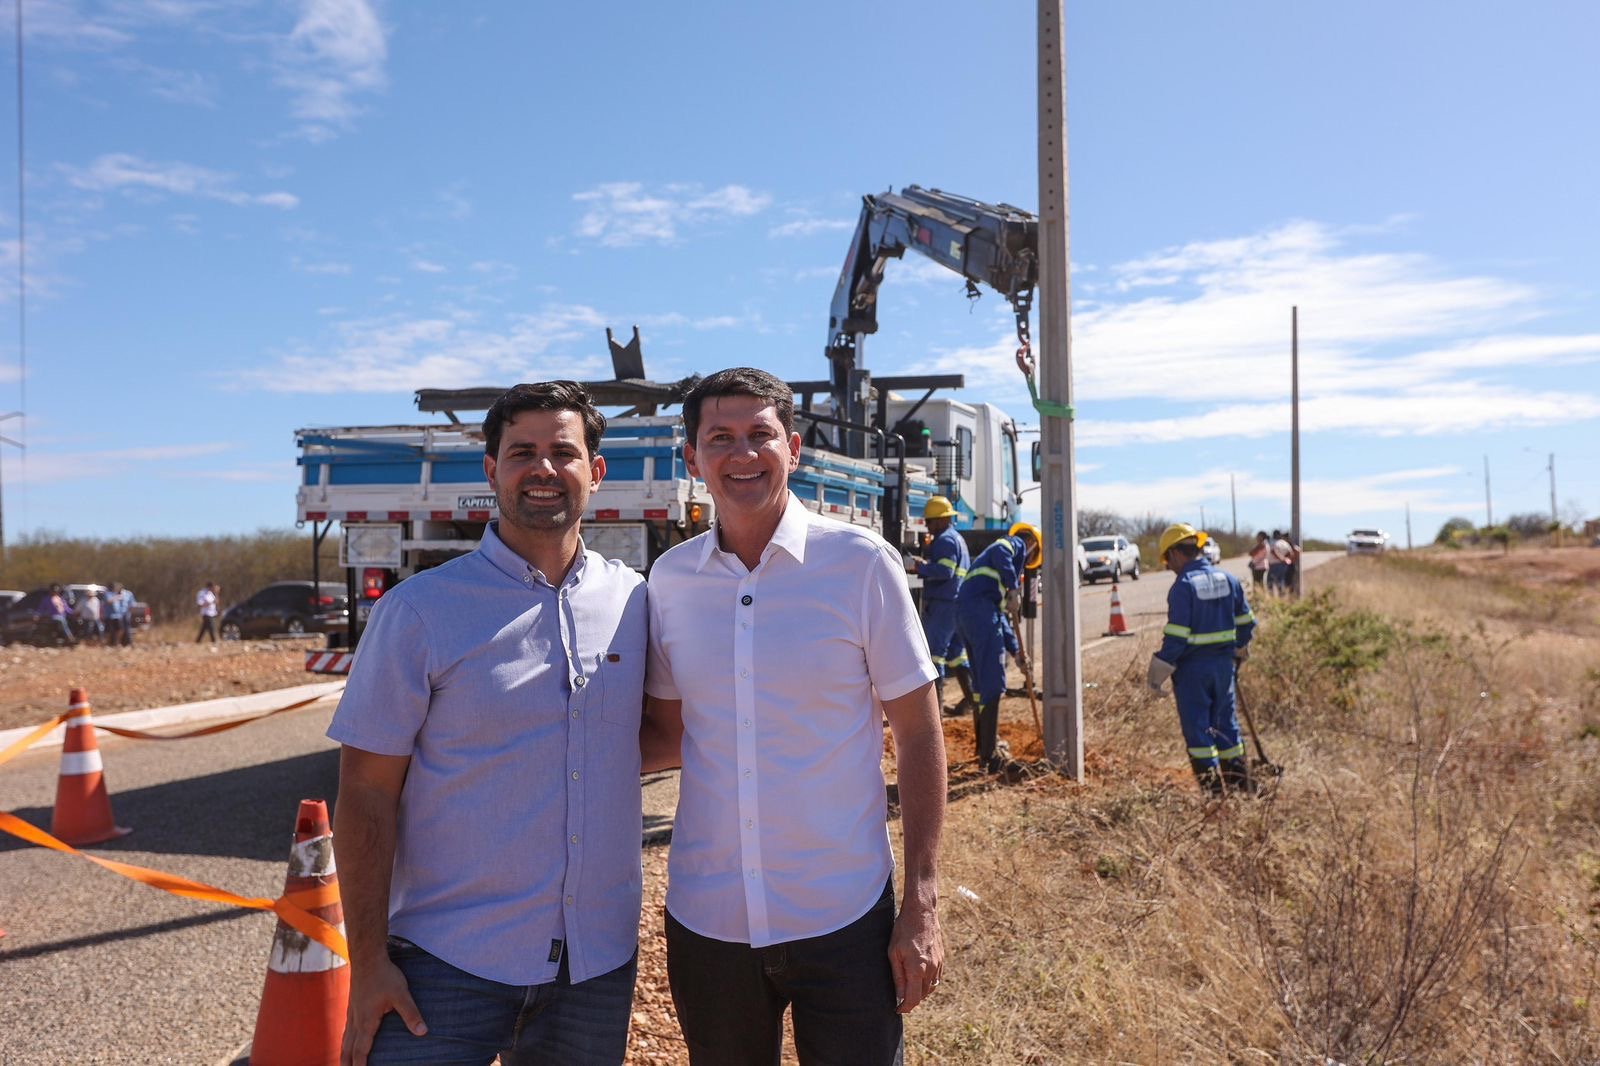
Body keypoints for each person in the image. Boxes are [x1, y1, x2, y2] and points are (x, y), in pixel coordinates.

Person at [328, 381, 648, 1066]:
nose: (542, 469)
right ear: (491, 471)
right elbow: (365, 793)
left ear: (595, 472)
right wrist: (369, 962)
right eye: (521, 452)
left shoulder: (637, 603)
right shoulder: (419, 613)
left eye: (563, 452)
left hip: (591, 970)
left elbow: (669, 732)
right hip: (443, 969)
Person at [640, 367, 946, 1066]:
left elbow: (920, 731)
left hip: (843, 915)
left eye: (760, 435)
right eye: (720, 437)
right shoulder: (670, 582)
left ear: (795, 448)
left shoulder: (861, 564)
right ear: (692, 459)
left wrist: (922, 901)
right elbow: (666, 734)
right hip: (709, 919)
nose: (742, 454)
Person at [1146, 523, 1257, 796]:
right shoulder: (1229, 579)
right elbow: (1247, 623)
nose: (1168, 567)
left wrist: (1157, 672)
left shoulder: (1183, 586)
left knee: (1199, 733)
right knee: (1226, 727)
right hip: (1222, 668)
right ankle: (1241, 788)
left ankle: (1214, 795)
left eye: (1167, 561)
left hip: (1192, 672)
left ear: (1174, 553)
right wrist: (1237, 651)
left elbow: (1177, 638)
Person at [955, 521, 1041, 774]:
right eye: (1031, 558)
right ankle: (991, 756)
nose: (1026, 563)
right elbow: (1004, 550)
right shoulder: (1014, 543)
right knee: (993, 683)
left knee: (982, 689)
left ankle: (983, 749)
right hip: (980, 614)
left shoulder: (990, 579)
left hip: (970, 615)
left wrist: (1017, 653)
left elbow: (1002, 620)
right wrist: (1014, 588)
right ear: (1032, 544)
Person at [906, 495, 975, 716]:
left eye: (930, 521)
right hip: (956, 603)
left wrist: (921, 568)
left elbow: (945, 571)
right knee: (956, 654)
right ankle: (971, 699)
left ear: (940, 520)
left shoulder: (945, 540)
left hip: (943, 605)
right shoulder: (956, 538)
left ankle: (935, 712)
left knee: (934, 655)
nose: (927, 525)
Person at [105, 583, 135, 647]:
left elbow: (132, 605)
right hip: (112, 615)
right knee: (111, 630)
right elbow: (109, 601)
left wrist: (130, 613)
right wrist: (118, 597)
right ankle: (111, 643)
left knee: (122, 630)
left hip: (123, 615)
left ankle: (123, 642)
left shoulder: (128, 594)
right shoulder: (110, 594)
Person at [1266, 530, 1291, 595]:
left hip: (1275, 564)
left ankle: (1272, 597)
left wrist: (1281, 558)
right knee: (1281, 580)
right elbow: (1290, 553)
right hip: (1283, 564)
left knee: (1270, 582)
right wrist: (1284, 558)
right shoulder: (1285, 543)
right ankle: (1281, 596)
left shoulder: (1273, 542)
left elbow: (1273, 551)